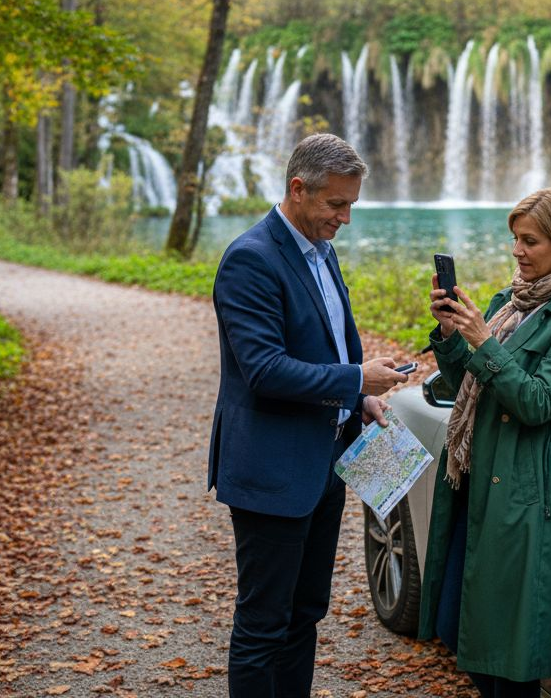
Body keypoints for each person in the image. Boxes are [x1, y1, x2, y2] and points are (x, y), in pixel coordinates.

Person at [207, 133, 409, 697]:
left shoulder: (322, 249)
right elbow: (264, 370)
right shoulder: (250, 258)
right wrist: (355, 380)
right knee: (263, 623)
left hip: (325, 464)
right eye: (336, 204)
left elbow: (328, 347)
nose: (345, 218)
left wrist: (359, 399)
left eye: (351, 204)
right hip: (272, 469)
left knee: (305, 613)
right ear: (298, 189)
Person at [418, 187, 551, 697]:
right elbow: (470, 388)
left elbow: (538, 404)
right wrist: (452, 336)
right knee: (459, 625)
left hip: (526, 486)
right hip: (478, 479)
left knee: (510, 647)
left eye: (531, 241)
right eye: (515, 239)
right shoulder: (508, 303)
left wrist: (483, 342)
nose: (518, 251)